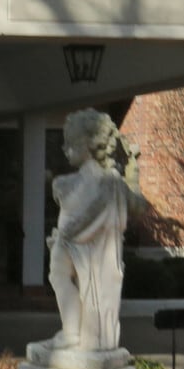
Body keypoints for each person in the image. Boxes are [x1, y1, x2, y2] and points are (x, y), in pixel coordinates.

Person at [36, 109, 137, 354]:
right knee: (58, 275)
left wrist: (67, 233)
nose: (65, 149)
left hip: (82, 245)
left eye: (71, 143)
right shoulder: (87, 180)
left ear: (91, 144)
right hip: (71, 242)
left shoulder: (104, 181)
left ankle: (73, 333)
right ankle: (72, 331)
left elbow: (94, 214)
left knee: (61, 276)